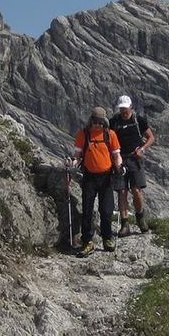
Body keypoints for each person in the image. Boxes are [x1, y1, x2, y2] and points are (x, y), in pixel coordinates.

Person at [73, 107, 122, 257]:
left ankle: (107, 238)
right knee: (87, 209)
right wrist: (73, 163)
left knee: (106, 210)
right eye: (95, 121)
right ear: (91, 120)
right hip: (89, 177)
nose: (98, 125)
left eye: (100, 122)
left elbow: (116, 155)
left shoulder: (110, 135)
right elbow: (77, 155)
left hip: (106, 177)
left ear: (104, 122)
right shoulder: (83, 134)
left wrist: (119, 166)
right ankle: (87, 241)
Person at [109, 95, 155, 236]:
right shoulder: (113, 122)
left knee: (136, 191)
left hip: (135, 159)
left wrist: (142, 149)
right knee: (122, 191)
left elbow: (151, 137)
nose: (124, 111)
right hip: (120, 159)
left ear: (131, 107)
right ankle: (125, 225)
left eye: (126, 108)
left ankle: (140, 218)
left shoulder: (138, 120)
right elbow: (108, 139)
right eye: (121, 108)